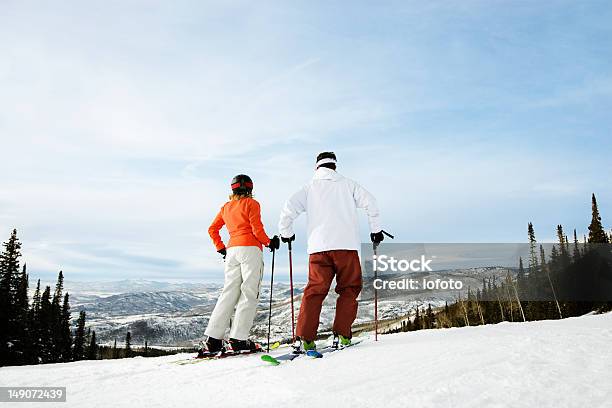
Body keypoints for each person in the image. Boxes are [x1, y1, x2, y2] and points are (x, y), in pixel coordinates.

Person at [278, 152, 385, 351]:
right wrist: (375, 230)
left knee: (315, 291)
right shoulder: (348, 185)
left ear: (316, 167)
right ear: (335, 166)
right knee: (349, 289)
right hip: (346, 247)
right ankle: (343, 335)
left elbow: (288, 208)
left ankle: (305, 338)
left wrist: (286, 233)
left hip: (318, 248)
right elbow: (371, 203)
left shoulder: (308, 188)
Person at [202, 174, 280, 354]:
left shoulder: (226, 207)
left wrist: (221, 248)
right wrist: (269, 242)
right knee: (249, 292)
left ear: (233, 189)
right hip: (250, 249)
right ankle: (238, 339)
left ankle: (213, 339)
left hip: (232, 251)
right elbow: (256, 228)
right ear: (250, 189)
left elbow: (212, 229)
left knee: (229, 292)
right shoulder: (252, 204)